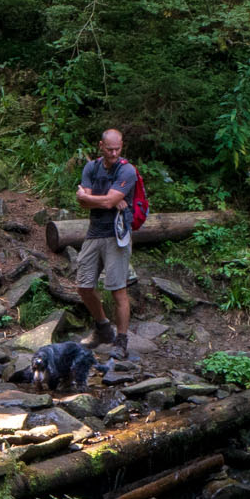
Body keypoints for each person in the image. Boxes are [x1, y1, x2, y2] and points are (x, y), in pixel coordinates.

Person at [74, 129, 137, 358]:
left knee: (117, 290)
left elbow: (104, 200)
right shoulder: (91, 168)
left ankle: (121, 341)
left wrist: (91, 198)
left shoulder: (127, 170)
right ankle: (103, 327)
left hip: (117, 235)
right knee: (83, 286)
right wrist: (105, 201)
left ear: (122, 146)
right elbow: (88, 204)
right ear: (101, 145)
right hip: (94, 233)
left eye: (117, 149)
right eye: (109, 149)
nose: (113, 153)